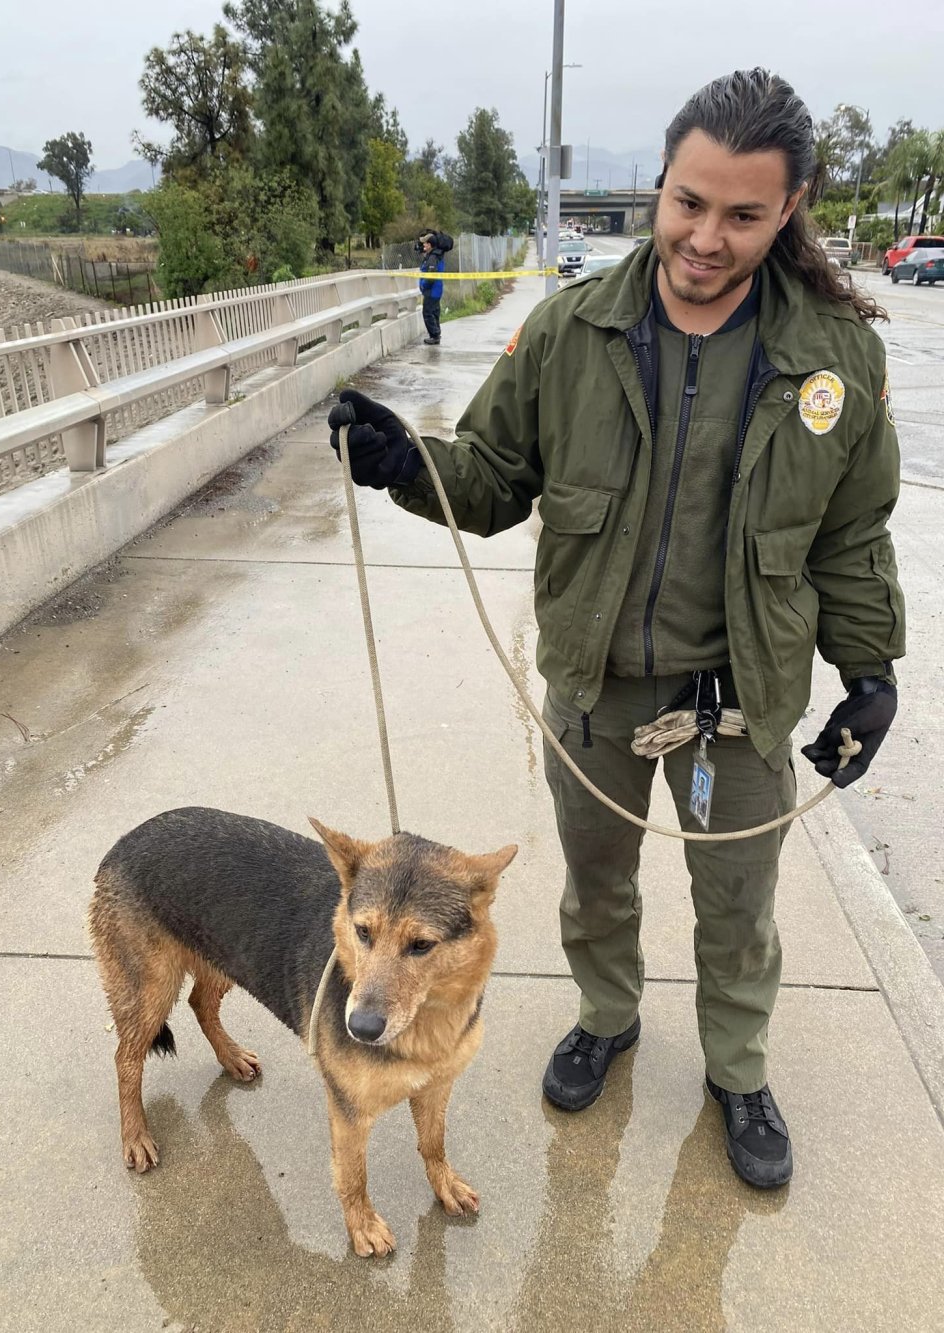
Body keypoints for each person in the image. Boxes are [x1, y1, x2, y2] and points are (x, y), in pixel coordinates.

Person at [328, 69, 904, 1189]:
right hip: (595, 688)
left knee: (738, 908)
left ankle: (737, 1066)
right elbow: (489, 478)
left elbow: (852, 534)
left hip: (741, 699)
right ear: (660, 184)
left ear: (787, 212)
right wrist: (409, 464)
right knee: (597, 888)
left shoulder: (837, 357)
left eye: (743, 215)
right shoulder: (568, 330)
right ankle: (607, 1016)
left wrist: (869, 674)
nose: (705, 236)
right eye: (689, 202)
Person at [418, 232, 445, 345]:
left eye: (425, 243)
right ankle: (436, 334)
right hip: (437, 289)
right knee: (434, 312)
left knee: (427, 312)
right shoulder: (436, 255)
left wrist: (424, 285)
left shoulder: (432, 257)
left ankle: (434, 336)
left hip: (432, 290)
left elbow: (431, 276)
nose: (423, 245)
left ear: (430, 244)